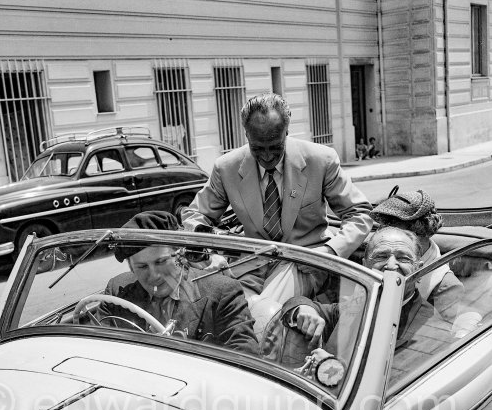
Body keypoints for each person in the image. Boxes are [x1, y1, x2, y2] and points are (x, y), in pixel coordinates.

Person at [181, 92, 372, 295]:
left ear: (287, 131)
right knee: (228, 305)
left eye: (275, 147)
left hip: (305, 263)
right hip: (250, 265)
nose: (267, 156)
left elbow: (359, 213)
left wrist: (329, 252)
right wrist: (208, 253)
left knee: (267, 310)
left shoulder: (321, 160)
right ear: (246, 135)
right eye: (258, 148)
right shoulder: (226, 167)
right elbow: (195, 216)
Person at [282, 227, 454, 385]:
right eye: (381, 256)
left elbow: (393, 389)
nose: (391, 265)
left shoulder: (432, 332)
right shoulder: (356, 306)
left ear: (418, 270)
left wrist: (329, 369)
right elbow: (296, 303)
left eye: (403, 258)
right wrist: (302, 310)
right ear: (365, 267)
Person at [97, 211, 259, 355]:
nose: (154, 275)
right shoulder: (116, 293)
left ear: (180, 256)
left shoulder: (222, 293)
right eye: (142, 266)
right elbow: (96, 351)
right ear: (131, 268)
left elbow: (245, 358)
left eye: (161, 261)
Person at [369, 188, 464, 323]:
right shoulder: (375, 259)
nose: (389, 236)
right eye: (384, 227)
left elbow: (438, 339)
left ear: (421, 233)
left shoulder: (446, 287)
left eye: (398, 231)